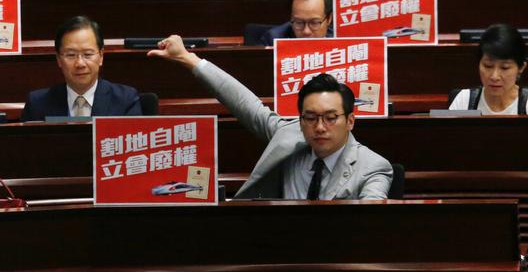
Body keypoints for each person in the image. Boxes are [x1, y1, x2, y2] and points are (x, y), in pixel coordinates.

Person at [148, 35, 392, 200]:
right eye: (310, 118)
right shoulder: (290, 135)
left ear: (350, 121)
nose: (319, 127)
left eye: (330, 118)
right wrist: (188, 58)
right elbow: (245, 104)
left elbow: (370, 221)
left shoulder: (373, 168)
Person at [21, 15, 142, 121]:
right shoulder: (37, 104)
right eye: (71, 55)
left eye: (87, 54)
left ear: (101, 56)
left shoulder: (125, 100)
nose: (80, 63)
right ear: (58, 59)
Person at [449, 24, 527, 114]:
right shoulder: (463, 101)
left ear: (521, 68)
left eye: (504, 68)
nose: (494, 77)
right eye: (488, 66)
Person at [246, 0, 334, 46]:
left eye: (314, 23)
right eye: (299, 22)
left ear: (329, 19)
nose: (306, 31)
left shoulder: (339, 39)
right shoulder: (273, 40)